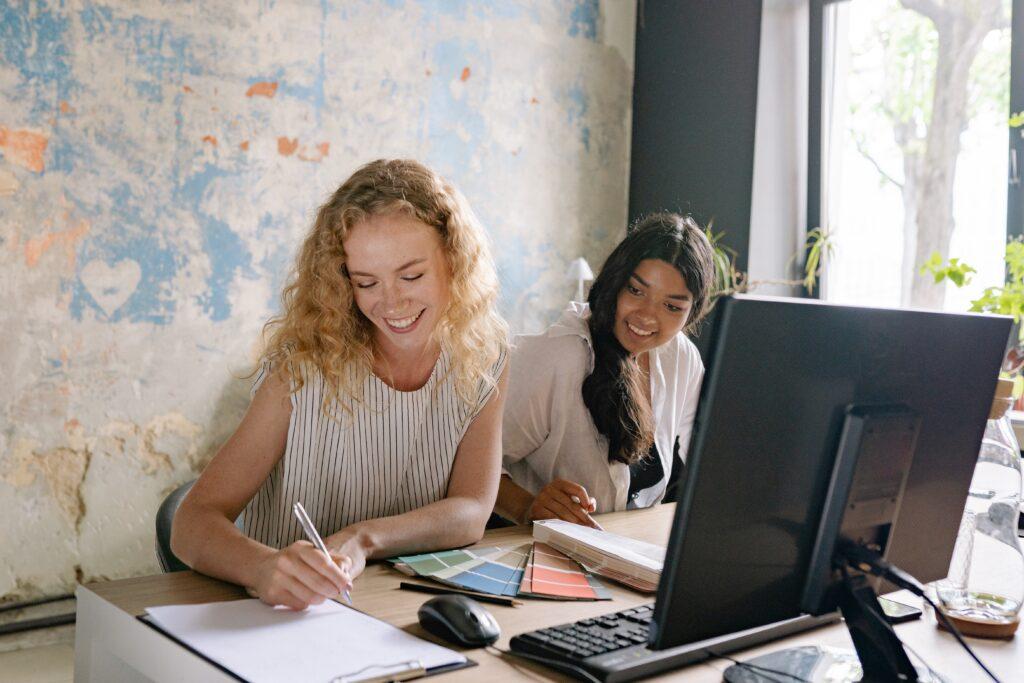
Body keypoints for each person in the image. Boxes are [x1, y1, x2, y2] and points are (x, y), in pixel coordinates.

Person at [172, 159, 509, 610]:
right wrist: (261, 568)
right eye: (366, 282)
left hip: (391, 604)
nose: (392, 302)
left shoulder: (485, 355)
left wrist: (363, 539)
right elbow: (191, 522)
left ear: (455, 260)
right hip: (283, 611)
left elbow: (470, 510)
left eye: (411, 275)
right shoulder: (303, 367)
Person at [495, 213, 714, 527]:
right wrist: (527, 507)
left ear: (691, 313)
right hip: (535, 552)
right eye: (636, 291)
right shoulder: (559, 356)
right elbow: (467, 463)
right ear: (615, 281)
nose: (647, 317)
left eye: (671, 306)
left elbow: (704, 449)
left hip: (624, 550)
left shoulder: (680, 358)